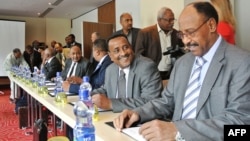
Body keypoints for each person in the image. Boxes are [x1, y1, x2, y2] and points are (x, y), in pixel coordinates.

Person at [113, 2, 250, 141]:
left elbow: (240, 126)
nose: (185, 41)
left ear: (211, 25)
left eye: (190, 32)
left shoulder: (242, 63)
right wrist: (138, 113)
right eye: (182, 34)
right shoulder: (182, 63)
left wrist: (179, 131)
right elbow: (166, 101)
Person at [91, 34, 162, 113]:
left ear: (131, 47)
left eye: (125, 47)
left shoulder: (146, 67)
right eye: (116, 50)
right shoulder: (110, 70)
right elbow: (106, 89)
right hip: (111, 117)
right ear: (110, 56)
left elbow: (151, 102)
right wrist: (89, 95)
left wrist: (111, 104)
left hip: (138, 120)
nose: (123, 53)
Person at [135, 7, 184, 80]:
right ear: (159, 20)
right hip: (151, 74)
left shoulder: (176, 34)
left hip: (171, 74)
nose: (172, 22)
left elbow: (181, 53)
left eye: (173, 19)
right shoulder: (145, 33)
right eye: (169, 20)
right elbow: (139, 55)